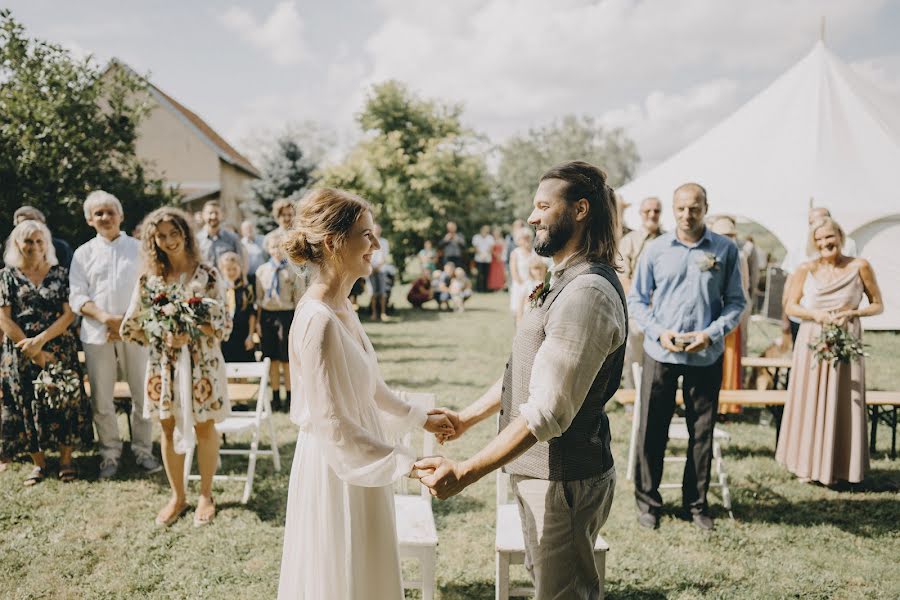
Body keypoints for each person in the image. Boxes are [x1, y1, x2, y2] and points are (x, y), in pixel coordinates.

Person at [416, 161, 627, 600]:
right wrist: (467, 418)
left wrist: (466, 471)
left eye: (543, 206)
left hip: (565, 482)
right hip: (541, 476)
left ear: (580, 210)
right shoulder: (563, 280)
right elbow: (527, 371)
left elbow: (547, 410)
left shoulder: (586, 295)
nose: (532, 217)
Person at [276, 187, 454, 599]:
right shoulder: (317, 320)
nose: (375, 244)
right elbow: (332, 423)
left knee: (367, 570)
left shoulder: (343, 306)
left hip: (364, 455)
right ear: (335, 242)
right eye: (366, 234)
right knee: (341, 574)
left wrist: (419, 417)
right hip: (336, 466)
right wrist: (408, 463)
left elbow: (369, 385)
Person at [628, 183, 746, 531]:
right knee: (653, 429)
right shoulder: (657, 249)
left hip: (705, 355)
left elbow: (737, 302)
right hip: (660, 352)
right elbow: (637, 300)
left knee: (702, 433)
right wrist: (657, 330)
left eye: (694, 208)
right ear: (672, 209)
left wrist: (710, 333)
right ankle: (648, 503)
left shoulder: (725, 249)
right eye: (680, 208)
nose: (686, 215)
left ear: (705, 207)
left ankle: (696, 506)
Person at [121, 207, 232, 527]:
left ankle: (206, 495)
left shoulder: (208, 274)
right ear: (153, 240)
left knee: (204, 425)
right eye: (161, 236)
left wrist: (192, 330)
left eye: (174, 233)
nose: (169, 241)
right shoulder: (150, 280)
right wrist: (162, 332)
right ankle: (178, 496)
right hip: (164, 365)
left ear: (185, 234)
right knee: (167, 425)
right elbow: (132, 325)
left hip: (203, 365)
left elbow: (224, 325)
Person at [776, 217, 883, 486]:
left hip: (847, 339)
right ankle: (807, 465)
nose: (825, 243)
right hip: (813, 339)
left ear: (840, 236)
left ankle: (842, 467)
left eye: (829, 237)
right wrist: (816, 315)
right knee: (809, 399)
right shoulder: (805, 268)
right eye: (819, 239)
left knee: (846, 399)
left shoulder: (860, 266)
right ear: (813, 243)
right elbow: (791, 306)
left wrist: (853, 313)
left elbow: (877, 305)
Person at [69, 190, 161, 479]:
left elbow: (151, 288)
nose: (105, 217)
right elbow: (77, 295)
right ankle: (109, 454)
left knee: (142, 395)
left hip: (136, 332)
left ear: (121, 216)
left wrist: (126, 323)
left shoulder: (140, 249)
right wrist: (106, 319)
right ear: (89, 220)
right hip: (98, 335)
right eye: (99, 213)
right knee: (102, 399)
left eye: (110, 212)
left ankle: (143, 451)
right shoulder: (82, 254)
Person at [0, 219, 93, 485]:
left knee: (64, 400)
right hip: (20, 350)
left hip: (57, 346)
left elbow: (68, 315)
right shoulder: (6, 276)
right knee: (26, 403)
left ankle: (66, 460)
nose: (34, 246)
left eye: (39, 241)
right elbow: (4, 319)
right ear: (18, 244)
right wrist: (31, 348)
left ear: (47, 244)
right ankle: (38, 464)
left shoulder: (61, 274)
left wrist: (41, 341)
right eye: (28, 241)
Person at [781, 206, 858, 345]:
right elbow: (790, 282)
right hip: (804, 317)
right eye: (811, 222)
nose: (816, 225)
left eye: (820, 220)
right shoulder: (799, 247)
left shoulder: (848, 245)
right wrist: (785, 317)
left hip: (838, 317)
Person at [255, 232, 306, 412]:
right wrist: (258, 322)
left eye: (279, 247)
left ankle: (290, 396)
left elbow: (298, 298)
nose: (276, 251)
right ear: (268, 249)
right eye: (273, 247)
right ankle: (275, 396)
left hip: (286, 316)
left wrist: (298, 322)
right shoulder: (261, 271)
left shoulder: (293, 270)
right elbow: (259, 299)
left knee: (287, 359)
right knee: (272, 359)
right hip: (268, 316)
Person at [617, 196, 663, 388]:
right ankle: (632, 398)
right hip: (637, 307)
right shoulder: (629, 241)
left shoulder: (669, 239)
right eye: (647, 211)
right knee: (634, 354)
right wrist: (641, 303)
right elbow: (623, 275)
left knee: (660, 357)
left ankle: (656, 396)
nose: (652, 215)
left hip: (663, 309)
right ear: (640, 214)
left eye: (656, 211)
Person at [710, 217, 751, 411]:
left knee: (730, 356)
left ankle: (728, 404)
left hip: (731, 311)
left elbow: (744, 286)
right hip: (714, 311)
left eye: (728, 235)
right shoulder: (710, 253)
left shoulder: (739, 255)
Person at [218, 252, 257, 363]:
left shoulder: (247, 288)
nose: (231, 272)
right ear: (222, 270)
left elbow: (251, 314)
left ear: (240, 268)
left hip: (243, 335)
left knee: (243, 367)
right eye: (228, 269)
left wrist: (250, 336)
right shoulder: (220, 290)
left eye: (234, 269)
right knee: (227, 369)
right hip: (225, 336)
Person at [196, 200, 246, 270]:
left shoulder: (233, 238)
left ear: (222, 215)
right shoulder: (196, 240)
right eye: (210, 213)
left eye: (216, 213)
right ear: (203, 215)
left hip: (226, 280)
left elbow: (240, 264)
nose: (213, 216)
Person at [508, 228, 534, 323]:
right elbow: (513, 271)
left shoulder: (534, 252)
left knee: (530, 309)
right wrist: (521, 284)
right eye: (524, 238)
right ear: (518, 241)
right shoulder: (515, 253)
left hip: (532, 283)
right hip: (520, 284)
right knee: (519, 310)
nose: (526, 240)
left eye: (528, 238)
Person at [368, 223, 390, 321]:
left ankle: (383, 313)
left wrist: (377, 267)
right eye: (375, 229)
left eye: (378, 229)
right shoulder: (368, 241)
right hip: (371, 270)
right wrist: (371, 268)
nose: (377, 231)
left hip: (381, 270)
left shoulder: (384, 242)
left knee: (382, 293)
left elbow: (385, 257)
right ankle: (374, 313)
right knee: (372, 293)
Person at [517, 255, 549, 322]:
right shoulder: (527, 285)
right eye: (535, 269)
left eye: (540, 268)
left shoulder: (549, 284)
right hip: (529, 316)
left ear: (545, 268)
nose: (538, 272)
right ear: (530, 270)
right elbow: (521, 303)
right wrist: (519, 319)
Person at [472, 225, 494, 293]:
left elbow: (491, 247)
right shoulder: (476, 237)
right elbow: (476, 247)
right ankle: (478, 289)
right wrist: (481, 254)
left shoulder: (490, 238)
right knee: (479, 274)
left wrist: (485, 254)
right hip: (479, 259)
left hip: (487, 259)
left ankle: (485, 289)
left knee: (486, 274)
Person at [487, 226, 507, 291]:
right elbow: (490, 250)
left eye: (497, 233)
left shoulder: (502, 240)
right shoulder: (491, 239)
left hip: (500, 258)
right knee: (493, 273)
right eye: (495, 233)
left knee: (500, 272)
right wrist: (496, 255)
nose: (496, 234)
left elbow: (504, 249)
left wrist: (500, 256)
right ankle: (494, 287)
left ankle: (500, 286)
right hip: (494, 259)